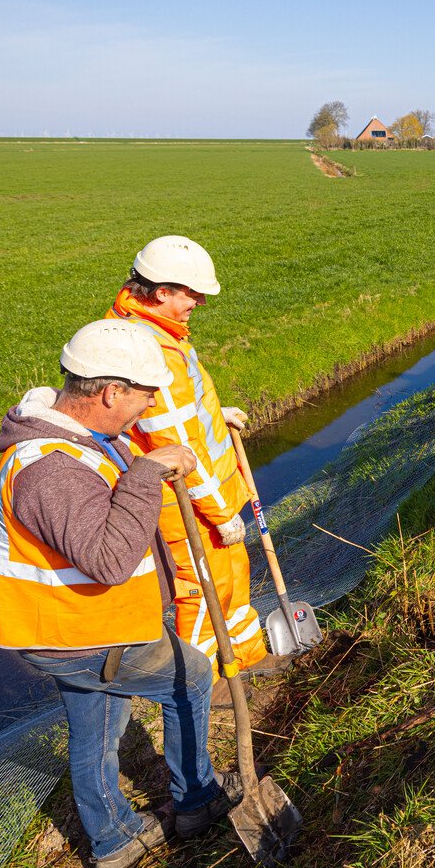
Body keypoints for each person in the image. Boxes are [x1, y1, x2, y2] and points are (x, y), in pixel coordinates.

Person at [0, 319, 233, 868]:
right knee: (191, 677)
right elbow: (109, 559)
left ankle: (114, 842)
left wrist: (148, 462)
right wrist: (146, 473)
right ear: (109, 392)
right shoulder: (49, 469)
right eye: (144, 395)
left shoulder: (84, 438)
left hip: (65, 631)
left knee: (97, 722)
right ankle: (196, 803)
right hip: (87, 634)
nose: (147, 407)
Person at [107, 235, 281, 685]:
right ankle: (208, 685)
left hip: (209, 490)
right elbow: (176, 443)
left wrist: (214, 416)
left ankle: (246, 657)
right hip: (186, 498)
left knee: (231, 577)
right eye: (192, 292)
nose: (200, 301)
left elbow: (173, 417)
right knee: (202, 590)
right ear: (162, 291)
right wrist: (221, 513)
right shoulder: (151, 349)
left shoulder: (159, 333)